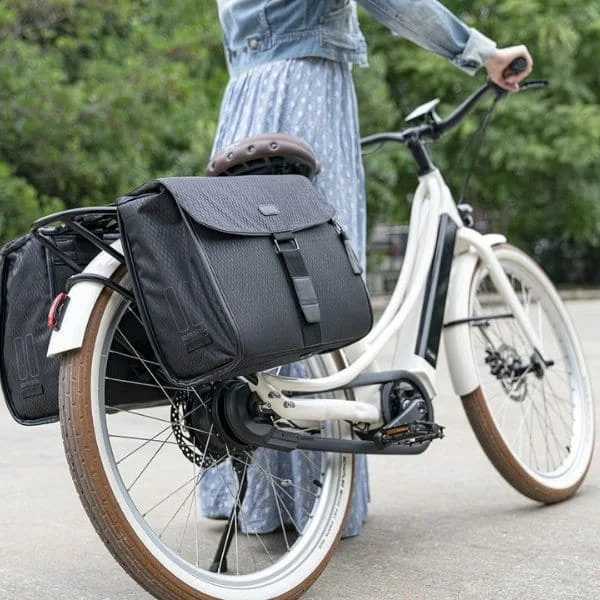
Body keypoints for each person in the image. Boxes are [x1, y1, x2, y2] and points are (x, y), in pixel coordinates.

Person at [199, 0, 533, 538]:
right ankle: (316, 495)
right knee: (317, 280)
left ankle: (251, 492)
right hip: (307, 96)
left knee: (255, 283)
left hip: (245, 101)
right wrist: (481, 53)